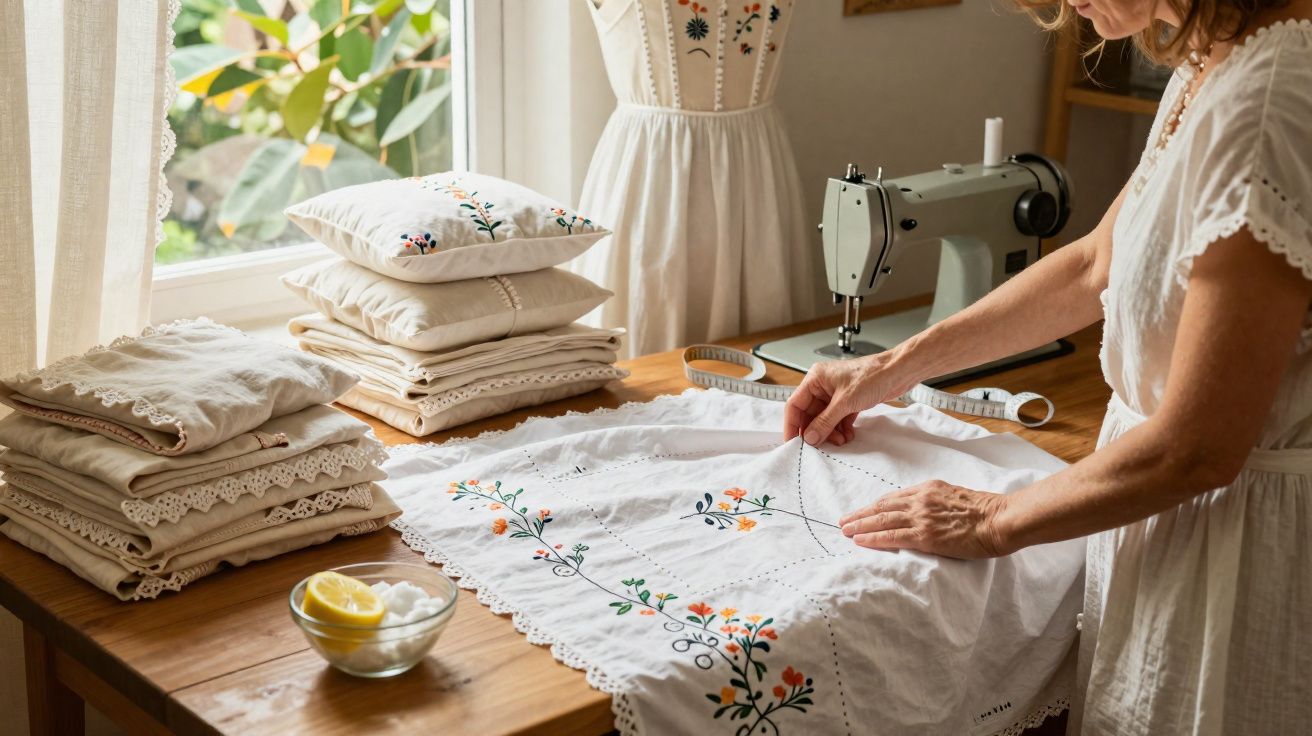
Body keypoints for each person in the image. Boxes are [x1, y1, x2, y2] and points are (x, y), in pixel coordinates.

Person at [783, 0, 1312, 732]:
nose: (1061, 7)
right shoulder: (1215, 59)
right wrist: (889, 368)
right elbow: (1095, 265)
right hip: (1171, 532)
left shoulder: (1269, 106)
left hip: (1238, 569)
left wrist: (995, 519)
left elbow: (1200, 447)